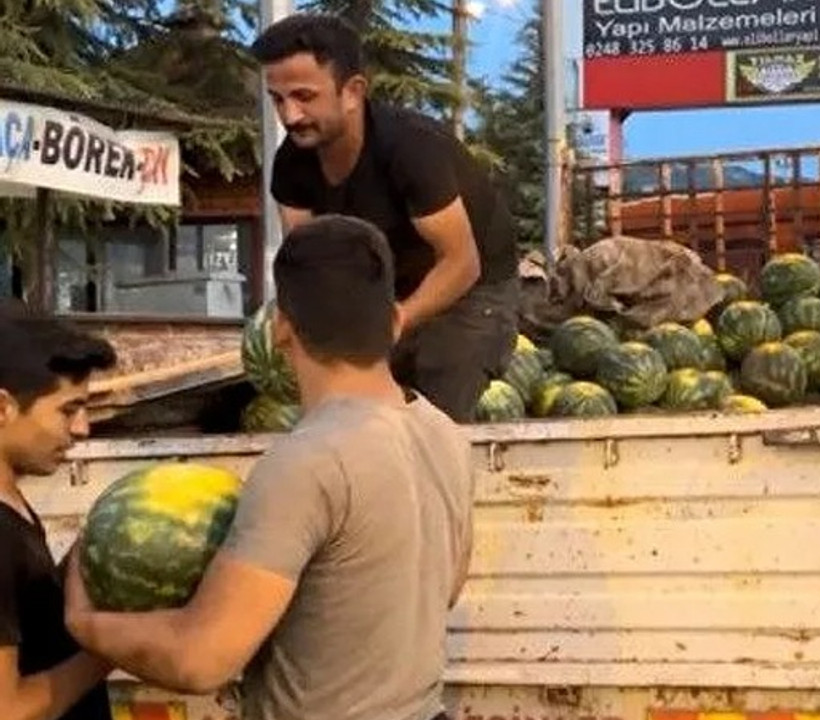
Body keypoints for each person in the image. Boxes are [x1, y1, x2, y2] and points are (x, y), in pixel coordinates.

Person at [64, 216, 475, 720]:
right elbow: (445, 589)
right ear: (393, 320)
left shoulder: (308, 461)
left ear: (282, 327)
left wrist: (85, 622)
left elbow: (200, 659)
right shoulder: (445, 435)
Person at [250, 13, 520, 423]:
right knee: (356, 406)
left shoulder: (412, 150)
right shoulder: (292, 166)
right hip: (386, 288)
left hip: (474, 288)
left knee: (437, 389)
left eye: (305, 97)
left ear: (353, 91)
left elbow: (462, 264)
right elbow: (310, 266)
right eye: (277, 99)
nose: (290, 116)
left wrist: (395, 321)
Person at [0, 310, 118, 720]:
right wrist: (107, 651)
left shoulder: (11, 502)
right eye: (69, 410)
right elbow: (8, 709)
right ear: (2, 408)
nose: (83, 428)